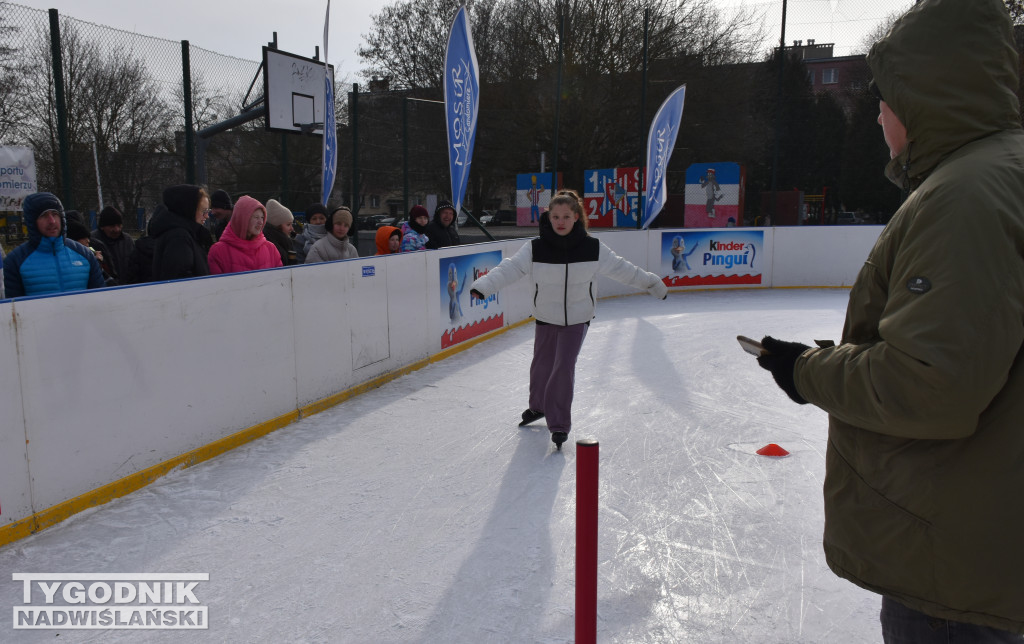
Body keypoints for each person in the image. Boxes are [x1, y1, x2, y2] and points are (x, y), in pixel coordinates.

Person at [753, 0, 1024, 640]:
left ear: (928, 92)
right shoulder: (999, 173)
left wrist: (806, 371)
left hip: (950, 562)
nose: (877, 112)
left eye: (886, 95)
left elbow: (930, 383)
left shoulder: (965, 196)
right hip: (983, 534)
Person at [469, 189, 668, 449]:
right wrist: (484, 285)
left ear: (576, 217)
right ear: (548, 218)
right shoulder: (534, 248)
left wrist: (651, 282)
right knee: (541, 365)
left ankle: (559, 424)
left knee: (563, 367)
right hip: (545, 316)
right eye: (555, 217)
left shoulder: (593, 247)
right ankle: (537, 407)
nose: (560, 221)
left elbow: (623, 269)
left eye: (566, 216)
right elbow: (509, 269)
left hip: (577, 319)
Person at [2, 192, 105, 298]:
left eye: (55, 214)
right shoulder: (15, 261)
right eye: (44, 215)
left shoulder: (85, 255)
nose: (52, 221)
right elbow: (12, 309)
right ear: (32, 221)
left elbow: (101, 300)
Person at [207, 196, 283, 275]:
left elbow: (280, 281)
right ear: (242, 219)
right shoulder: (218, 251)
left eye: (262, 217)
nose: (260, 222)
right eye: (256, 217)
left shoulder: (271, 249)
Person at [150, 184, 211, 281]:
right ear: (189, 209)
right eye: (203, 211)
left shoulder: (185, 235)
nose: (207, 216)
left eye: (208, 211)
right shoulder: (178, 238)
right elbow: (180, 278)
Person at [66, 218, 117, 286]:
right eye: (84, 238)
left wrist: (98, 263)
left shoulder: (91, 253)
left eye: (88, 237)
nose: (88, 241)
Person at [92, 205, 135, 280]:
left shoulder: (127, 241)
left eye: (119, 225)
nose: (117, 229)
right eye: (112, 226)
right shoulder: (92, 242)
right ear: (102, 227)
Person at [264, 199, 297, 266]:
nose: (292, 228)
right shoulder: (270, 245)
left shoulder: (285, 241)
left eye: (292, 224)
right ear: (277, 225)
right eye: (288, 224)